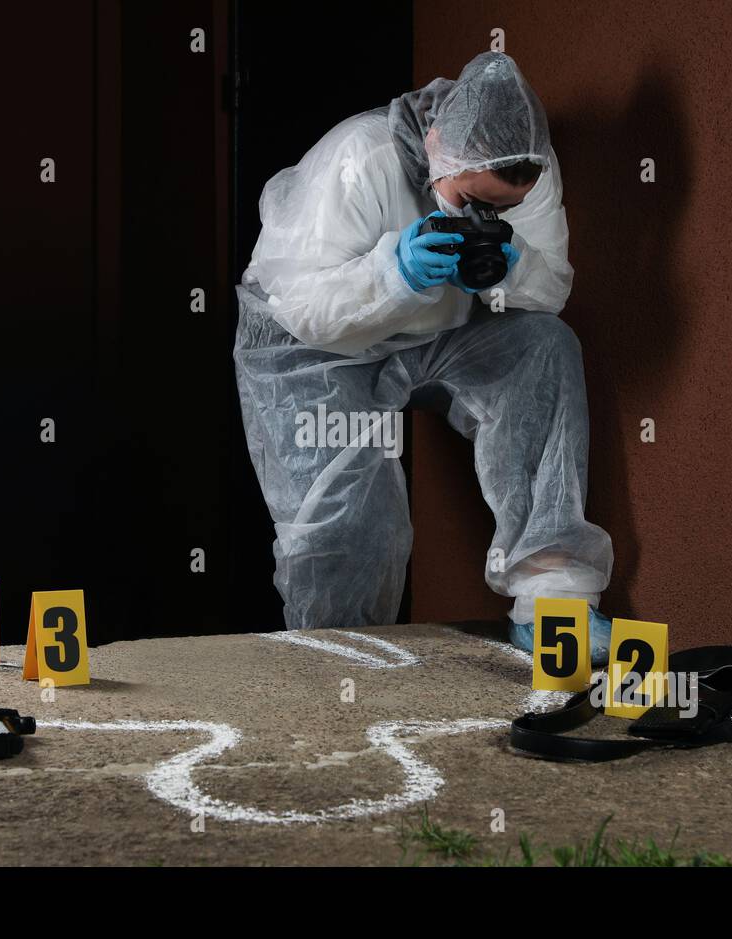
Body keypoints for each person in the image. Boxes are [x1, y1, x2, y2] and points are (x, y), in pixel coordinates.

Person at [234, 52, 614, 662]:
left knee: (544, 348)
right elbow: (302, 306)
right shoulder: (359, 159)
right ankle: (343, 654)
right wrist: (393, 273)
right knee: (357, 519)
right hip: (315, 345)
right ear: (436, 144)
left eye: (501, 209)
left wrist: (516, 269)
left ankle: (553, 602)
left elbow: (553, 291)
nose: (481, 217)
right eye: (469, 199)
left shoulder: (528, 170)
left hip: (436, 329)